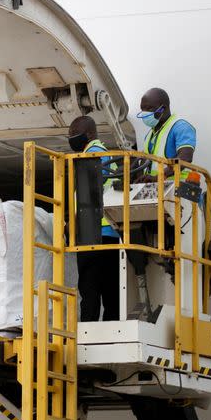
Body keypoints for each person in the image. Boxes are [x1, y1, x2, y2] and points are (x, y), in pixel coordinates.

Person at [67, 116, 120, 322]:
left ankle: (87, 335)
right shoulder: (107, 155)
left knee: (89, 291)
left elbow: (87, 194)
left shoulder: (92, 154)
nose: (71, 138)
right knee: (111, 292)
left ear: (88, 134)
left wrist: (73, 223)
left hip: (91, 233)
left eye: (73, 134)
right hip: (111, 234)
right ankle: (110, 334)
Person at [136, 87, 197, 181]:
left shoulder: (181, 127)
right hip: (154, 190)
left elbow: (185, 158)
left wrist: (159, 177)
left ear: (163, 109)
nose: (144, 113)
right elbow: (143, 163)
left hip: (177, 189)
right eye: (142, 109)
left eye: (149, 108)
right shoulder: (149, 135)